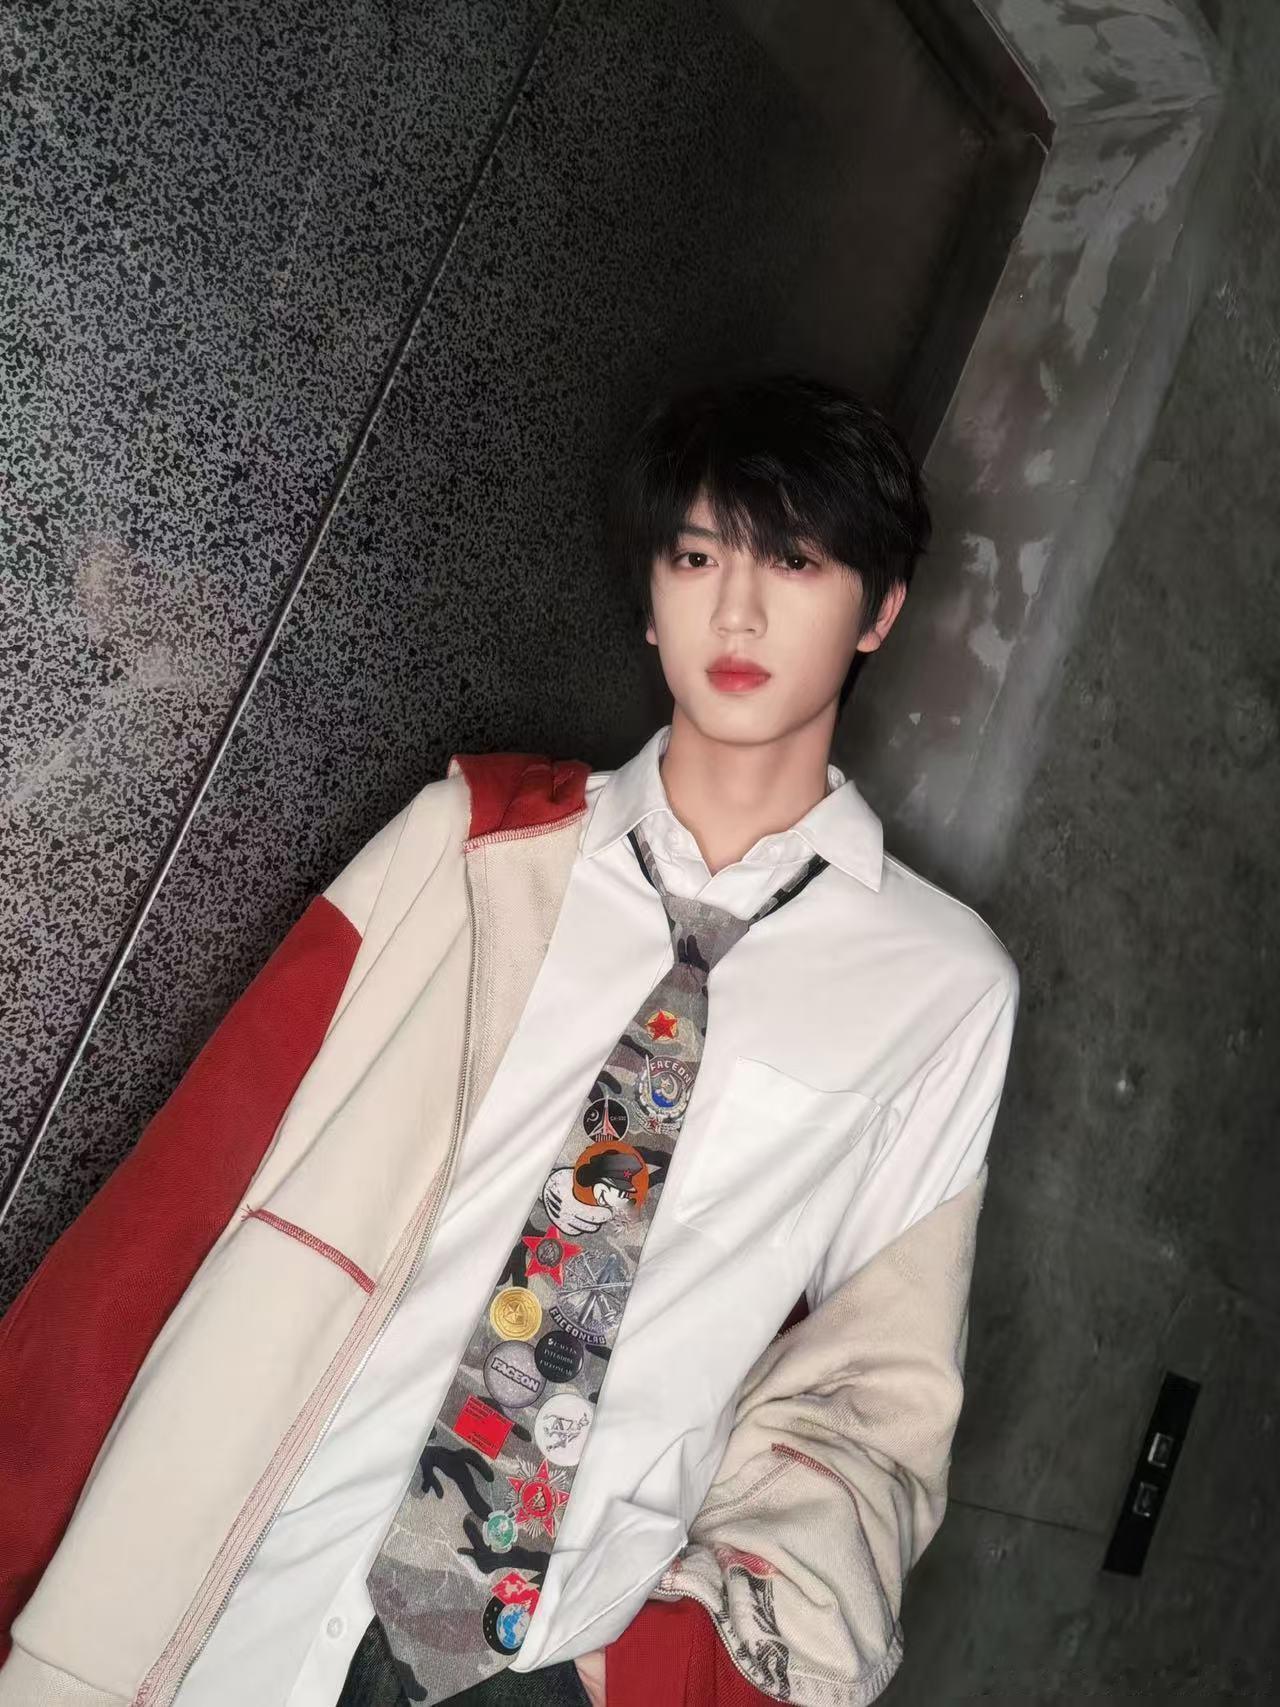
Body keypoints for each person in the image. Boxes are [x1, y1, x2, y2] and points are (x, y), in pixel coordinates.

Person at [0, 371, 1020, 1707]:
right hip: (238, 1587)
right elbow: (189, 1190)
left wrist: (663, 1672)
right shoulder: (475, 847)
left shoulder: (940, 989)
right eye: (696, 557)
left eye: (795, 561)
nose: (737, 610)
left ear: (878, 610)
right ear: (650, 597)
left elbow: (872, 1407)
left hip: (535, 1660)